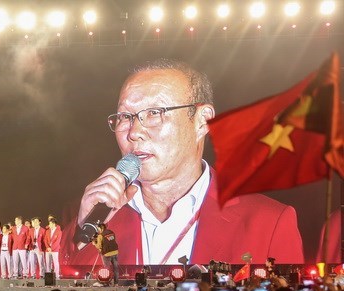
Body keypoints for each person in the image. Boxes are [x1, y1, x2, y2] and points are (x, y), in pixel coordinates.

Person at [62, 59, 304, 266]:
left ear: (202, 121)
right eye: (126, 116)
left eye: (154, 113)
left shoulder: (267, 222)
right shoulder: (96, 215)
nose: (134, 132)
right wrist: (85, 234)